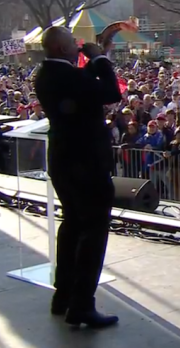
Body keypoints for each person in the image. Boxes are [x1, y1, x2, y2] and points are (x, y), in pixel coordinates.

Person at [35, 26, 122, 328]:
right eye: (72, 43)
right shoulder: (69, 76)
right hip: (86, 163)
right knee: (93, 231)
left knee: (72, 224)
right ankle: (83, 304)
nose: (78, 46)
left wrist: (100, 56)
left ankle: (64, 295)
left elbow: (85, 89)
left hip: (63, 160)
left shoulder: (47, 73)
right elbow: (110, 92)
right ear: (61, 49)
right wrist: (100, 60)